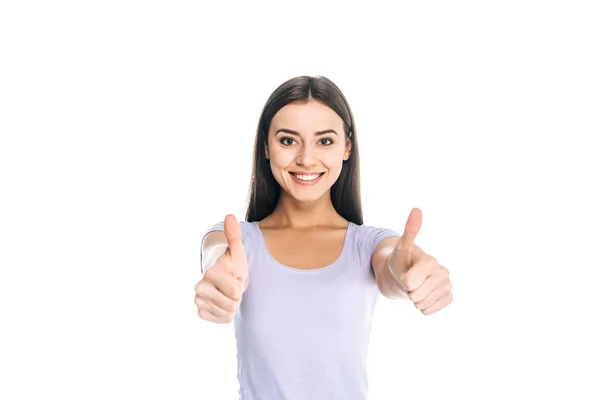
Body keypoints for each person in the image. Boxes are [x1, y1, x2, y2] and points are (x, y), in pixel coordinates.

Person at [194, 75, 453, 399]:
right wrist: (216, 270)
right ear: (266, 145)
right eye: (288, 140)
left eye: (325, 141)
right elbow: (215, 251)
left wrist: (409, 275)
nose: (306, 158)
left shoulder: (368, 244)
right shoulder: (240, 242)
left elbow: (392, 267)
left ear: (347, 146)